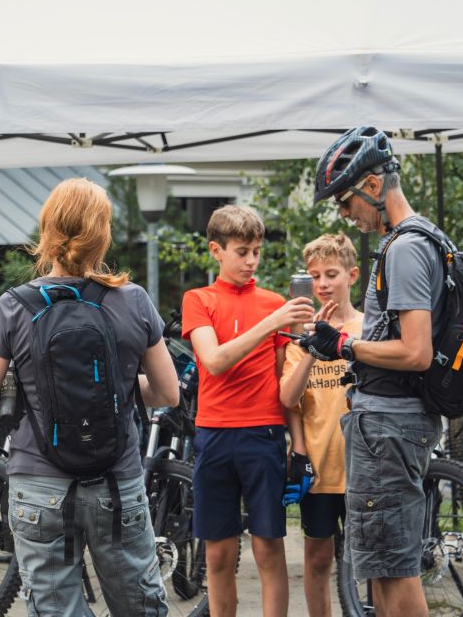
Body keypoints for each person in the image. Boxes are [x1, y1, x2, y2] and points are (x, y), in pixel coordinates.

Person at [0, 178, 180, 616]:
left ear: (46, 230)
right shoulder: (133, 300)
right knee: (140, 607)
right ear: (103, 233)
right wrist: (118, 390)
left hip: (38, 484)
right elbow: (168, 393)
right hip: (116, 484)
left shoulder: (13, 305)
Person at [302, 126, 444, 617]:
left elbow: (415, 352)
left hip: (388, 427)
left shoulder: (404, 249)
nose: (344, 214)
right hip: (389, 424)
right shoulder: (422, 239)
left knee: (396, 572)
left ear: (373, 186)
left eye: (344, 201)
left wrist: (345, 345)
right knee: (383, 568)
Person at [181, 204, 314, 617]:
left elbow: (285, 386)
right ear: (216, 251)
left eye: (257, 250)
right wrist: (272, 323)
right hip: (215, 434)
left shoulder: (274, 303)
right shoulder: (198, 299)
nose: (252, 261)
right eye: (242, 251)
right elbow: (214, 361)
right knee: (218, 556)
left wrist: (300, 443)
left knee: (269, 549)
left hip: (264, 435)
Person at [279, 233, 363, 617]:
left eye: (331, 274)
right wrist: (312, 349)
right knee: (317, 560)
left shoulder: (367, 329)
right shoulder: (299, 336)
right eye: (315, 276)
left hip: (363, 466)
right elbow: (288, 399)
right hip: (320, 467)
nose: (323, 284)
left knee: (370, 564)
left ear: (352, 275)